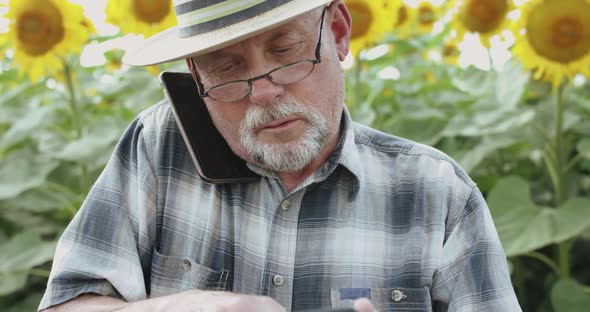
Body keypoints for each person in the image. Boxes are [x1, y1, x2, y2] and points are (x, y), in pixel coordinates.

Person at [39, 0, 521, 311]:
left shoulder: (437, 193)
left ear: (337, 31)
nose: (264, 92)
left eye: (286, 50)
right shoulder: (159, 145)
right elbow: (68, 303)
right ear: (196, 75)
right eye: (227, 67)